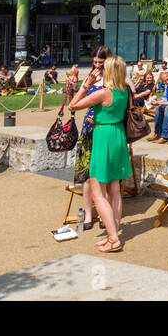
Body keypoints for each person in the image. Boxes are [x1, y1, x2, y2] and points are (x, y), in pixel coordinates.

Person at [71, 55, 131, 253]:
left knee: (97, 192)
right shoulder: (124, 91)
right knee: (114, 187)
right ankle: (112, 233)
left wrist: (85, 85)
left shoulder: (104, 93)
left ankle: (114, 238)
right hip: (117, 135)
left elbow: (73, 105)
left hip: (104, 137)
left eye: (104, 68)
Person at [70, 48, 110, 229]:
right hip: (89, 129)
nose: (97, 66)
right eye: (95, 63)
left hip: (104, 128)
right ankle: (88, 214)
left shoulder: (112, 80)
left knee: (103, 176)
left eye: (101, 63)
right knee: (86, 176)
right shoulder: (90, 78)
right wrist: (84, 84)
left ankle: (103, 213)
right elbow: (75, 103)